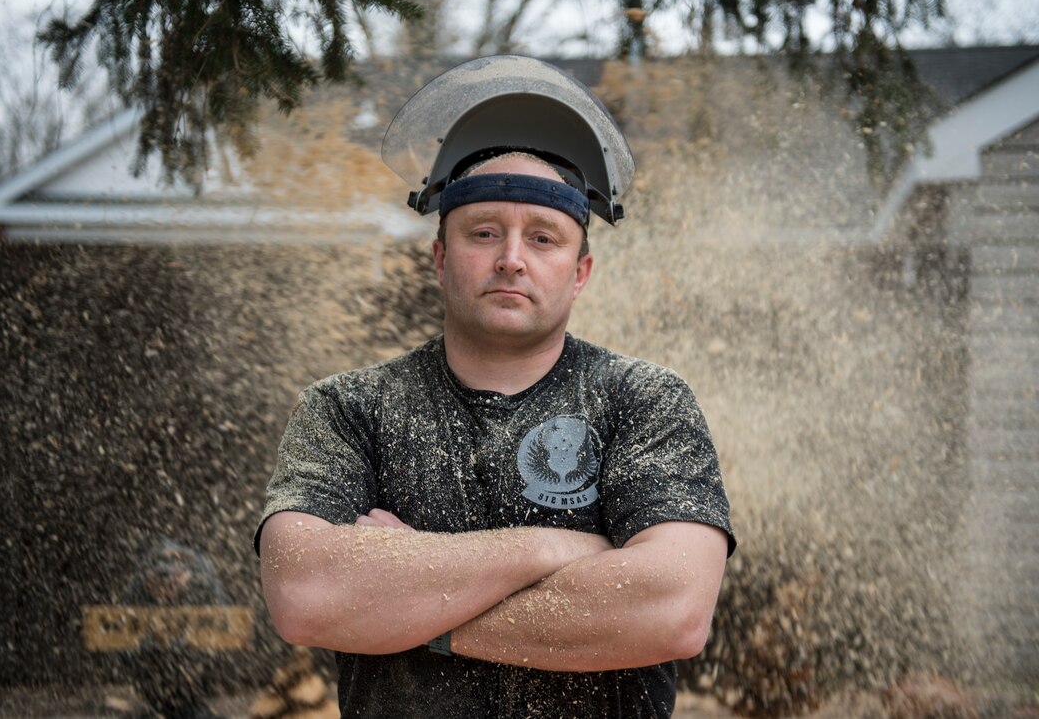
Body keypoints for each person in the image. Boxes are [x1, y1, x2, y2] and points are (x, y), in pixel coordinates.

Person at [255, 55, 735, 718]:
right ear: (441, 256)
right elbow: (304, 594)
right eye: (485, 233)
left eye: (543, 238)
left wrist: (422, 615)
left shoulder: (643, 401)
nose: (511, 257)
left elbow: (672, 610)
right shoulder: (350, 409)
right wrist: (549, 548)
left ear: (580, 271)